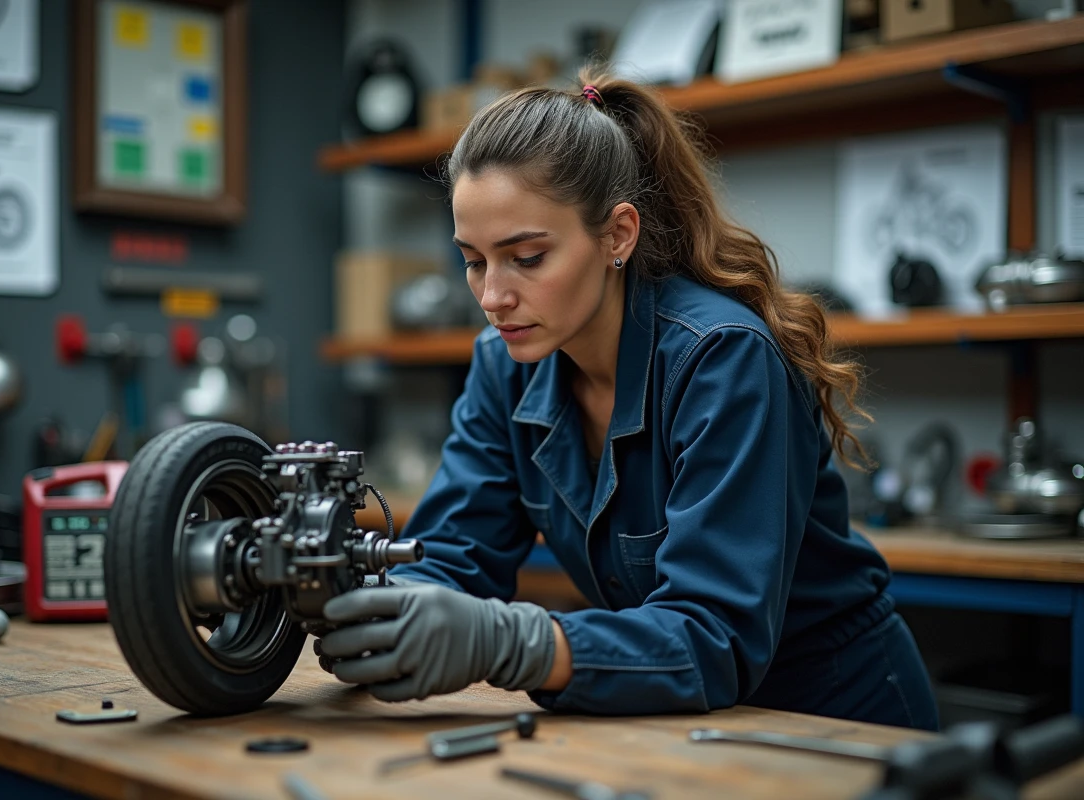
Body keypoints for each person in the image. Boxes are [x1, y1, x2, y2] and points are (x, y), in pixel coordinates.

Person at [312, 72, 939, 730]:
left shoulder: (723, 359)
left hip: (834, 718)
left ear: (617, 235)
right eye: (473, 261)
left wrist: (514, 642)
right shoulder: (505, 365)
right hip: (681, 717)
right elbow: (454, 557)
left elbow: (712, 637)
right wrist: (361, 606)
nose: (493, 296)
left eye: (526, 257)